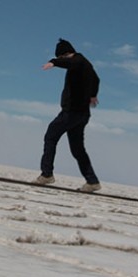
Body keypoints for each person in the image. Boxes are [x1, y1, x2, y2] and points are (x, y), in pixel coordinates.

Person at [34, 38, 102, 192]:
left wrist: (54, 62)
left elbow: (70, 63)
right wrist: (92, 94)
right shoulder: (86, 64)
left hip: (71, 112)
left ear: (64, 54)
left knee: (50, 136)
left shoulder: (77, 61)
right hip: (82, 114)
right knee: (77, 149)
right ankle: (92, 181)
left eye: (60, 57)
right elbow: (96, 79)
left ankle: (46, 174)